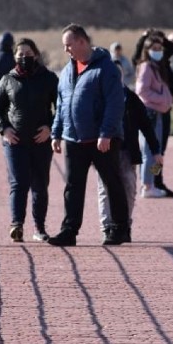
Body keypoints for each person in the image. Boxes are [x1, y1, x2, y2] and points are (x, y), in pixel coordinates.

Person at [47, 24, 129, 247]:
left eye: (68, 45)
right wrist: (56, 133)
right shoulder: (66, 72)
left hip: (102, 139)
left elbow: (114, 104)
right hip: (74, 138)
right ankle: (69, 230)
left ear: (82, 42)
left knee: (112, 182)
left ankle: (119, 228)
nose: (66, 50)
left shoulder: (106, 68)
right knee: (73, 185)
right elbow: (62, 104)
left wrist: (106, 133)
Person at [0, 38, 58, 243]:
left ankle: (39, 227)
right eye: (19, 54)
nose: (24, 57)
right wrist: (4, 130)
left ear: (36, 54)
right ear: (14, 57)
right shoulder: (7, 80)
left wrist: (50, 128)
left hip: (41, 141)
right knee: (19, 182)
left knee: (40, 184)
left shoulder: (48, 78)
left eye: (28, 53)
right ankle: (16, 225)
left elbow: (62, 108)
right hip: (15, 142)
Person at [95, 61, 162, 242]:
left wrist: (156, 150)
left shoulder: (132, 99)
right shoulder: (98, 96)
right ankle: (108, 227)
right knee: (105, 190)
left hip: (127, 151)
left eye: (118, 74)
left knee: (129, 188)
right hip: (105, 150)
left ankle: (124, 225)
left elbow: (146, 126)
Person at [133, 29, 173, 197]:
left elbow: (171, 49)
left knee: (158, 152)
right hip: (151, 113)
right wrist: (162, 98)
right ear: (147, 50)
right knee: (149, 151)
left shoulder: (160, 66)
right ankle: (147, 185)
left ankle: (153, 181)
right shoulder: (146, 67)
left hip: (161, 113)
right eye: (154, 48)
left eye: (160, 48)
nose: (158, 51)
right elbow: (142, 91)